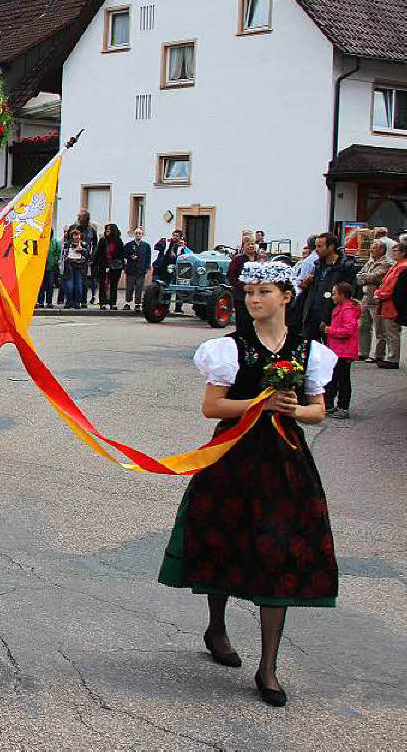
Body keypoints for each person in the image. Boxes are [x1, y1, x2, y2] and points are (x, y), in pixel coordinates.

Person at [158, 261, 338, 708]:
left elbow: (318, 410)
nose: (254, 300)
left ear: (286, 297)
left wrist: (291, 410)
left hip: (283, 461)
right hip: (233, 456)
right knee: (224, 539)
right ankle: (216, 627)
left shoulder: (308, 350)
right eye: (250, 292)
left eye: (264, 292)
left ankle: (269, 666)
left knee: (280, 551)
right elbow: (213, 407)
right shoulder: (229, 349)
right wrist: (261, 402)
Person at [300, 232, 357, 342]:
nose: (316, 249)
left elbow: (348, 294)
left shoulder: (345, 267)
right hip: (312, 315)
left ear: (331, 247)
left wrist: (329, 318)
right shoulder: (318, 265)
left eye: (320, 246)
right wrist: (306, 285)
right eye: (316, 246)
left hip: (333, 318)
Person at [320, 281, 359, 418]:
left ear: (342, 295)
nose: (332, 297)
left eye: (334, 294)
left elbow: (348, 330)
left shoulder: (348, 310)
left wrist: (330, 330)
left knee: (343, 379)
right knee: (334, 378)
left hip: (344, 351)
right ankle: (331, 404)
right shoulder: (340, 308)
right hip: (337, 349)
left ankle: (343, 407)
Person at [372, 240, 407, 369]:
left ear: (403, 253)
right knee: (388, 331)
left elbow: (393, 286)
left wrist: (380, 294)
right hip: (387, 302)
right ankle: (389, 356)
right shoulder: (397, 265)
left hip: (392, 303)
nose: (393, 253)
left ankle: (393, 358)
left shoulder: (402, 266)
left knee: (392, 332)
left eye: (396, 251)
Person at [356, 239, 391, 362]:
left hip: (377, 299)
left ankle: (378, 355)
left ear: (381, 250)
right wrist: (366, 278)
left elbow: (377, 277)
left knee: (379, 328)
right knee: (362, 326)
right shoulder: (370, 262)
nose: (371, 249)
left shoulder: (386, 263)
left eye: (374, 247)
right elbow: (359, 276)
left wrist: (365, 277)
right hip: (365, 297)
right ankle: (362, 352)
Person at [228, 235, 260, 331]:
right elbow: (231, 276)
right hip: (241, 296)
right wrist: (243, 286)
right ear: (243, 246)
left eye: (252, 244)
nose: (251, 246)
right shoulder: (238, 259)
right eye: (248, 243)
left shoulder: (259, 259)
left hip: (256, 296)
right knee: (242, 321)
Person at [69, 210, 99, 305]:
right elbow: (68, 241)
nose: (78, 218)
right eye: (78, 216)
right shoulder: (73, 228)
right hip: (73, 258)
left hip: (85, 259)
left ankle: (83, 300)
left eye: (80, 216)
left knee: (84, 280)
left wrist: (92, 257)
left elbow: (95, 244)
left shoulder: (91, 230)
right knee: (73, 280)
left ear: (86, 218)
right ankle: (73, 300)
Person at [94, 223, 125, 310]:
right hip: (104, 265)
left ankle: (113, 302)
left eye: (109, 229)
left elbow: (121, 254)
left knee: (113, 285)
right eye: (106, 229)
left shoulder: (118, 241)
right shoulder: (103, 240)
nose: (107, 231)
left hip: (115, 266)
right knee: (103, 284)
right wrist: (96, 264)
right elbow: (98, 253)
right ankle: (102, 302)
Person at [123, 227, 151, 311]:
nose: (138, 235)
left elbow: (148, 257)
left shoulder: (146, 245)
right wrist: (130, 257)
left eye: (140, 233)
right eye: (136, 233)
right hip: (131, 269)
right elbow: (124, 254)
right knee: (129, 287)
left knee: (139, 287)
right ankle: (127, 303)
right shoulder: (129, 245)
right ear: (134, 234)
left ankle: (137, 304)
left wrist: (147, 267)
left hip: (141, 269)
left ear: (142, 235)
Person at [60, 228, 87, 308]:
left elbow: (87, 256)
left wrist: (81, 250)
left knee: (78, 285)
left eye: (77, 235)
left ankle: (77, 302)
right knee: (69, 286)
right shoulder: (67, 245)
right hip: (69, 267)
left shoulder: (83, 244)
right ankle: (69, 302)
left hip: (79, 267)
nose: (76, 237)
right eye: (74, 235)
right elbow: (63, 256)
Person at [38, 227, 61, 308]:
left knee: (50, 286)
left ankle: (49, 302)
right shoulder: (40, 241)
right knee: (41, 285)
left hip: (51, 268)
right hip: (41, 267)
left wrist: (55, 261)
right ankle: (40, 302)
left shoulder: (55, 242)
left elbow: (58, 253)